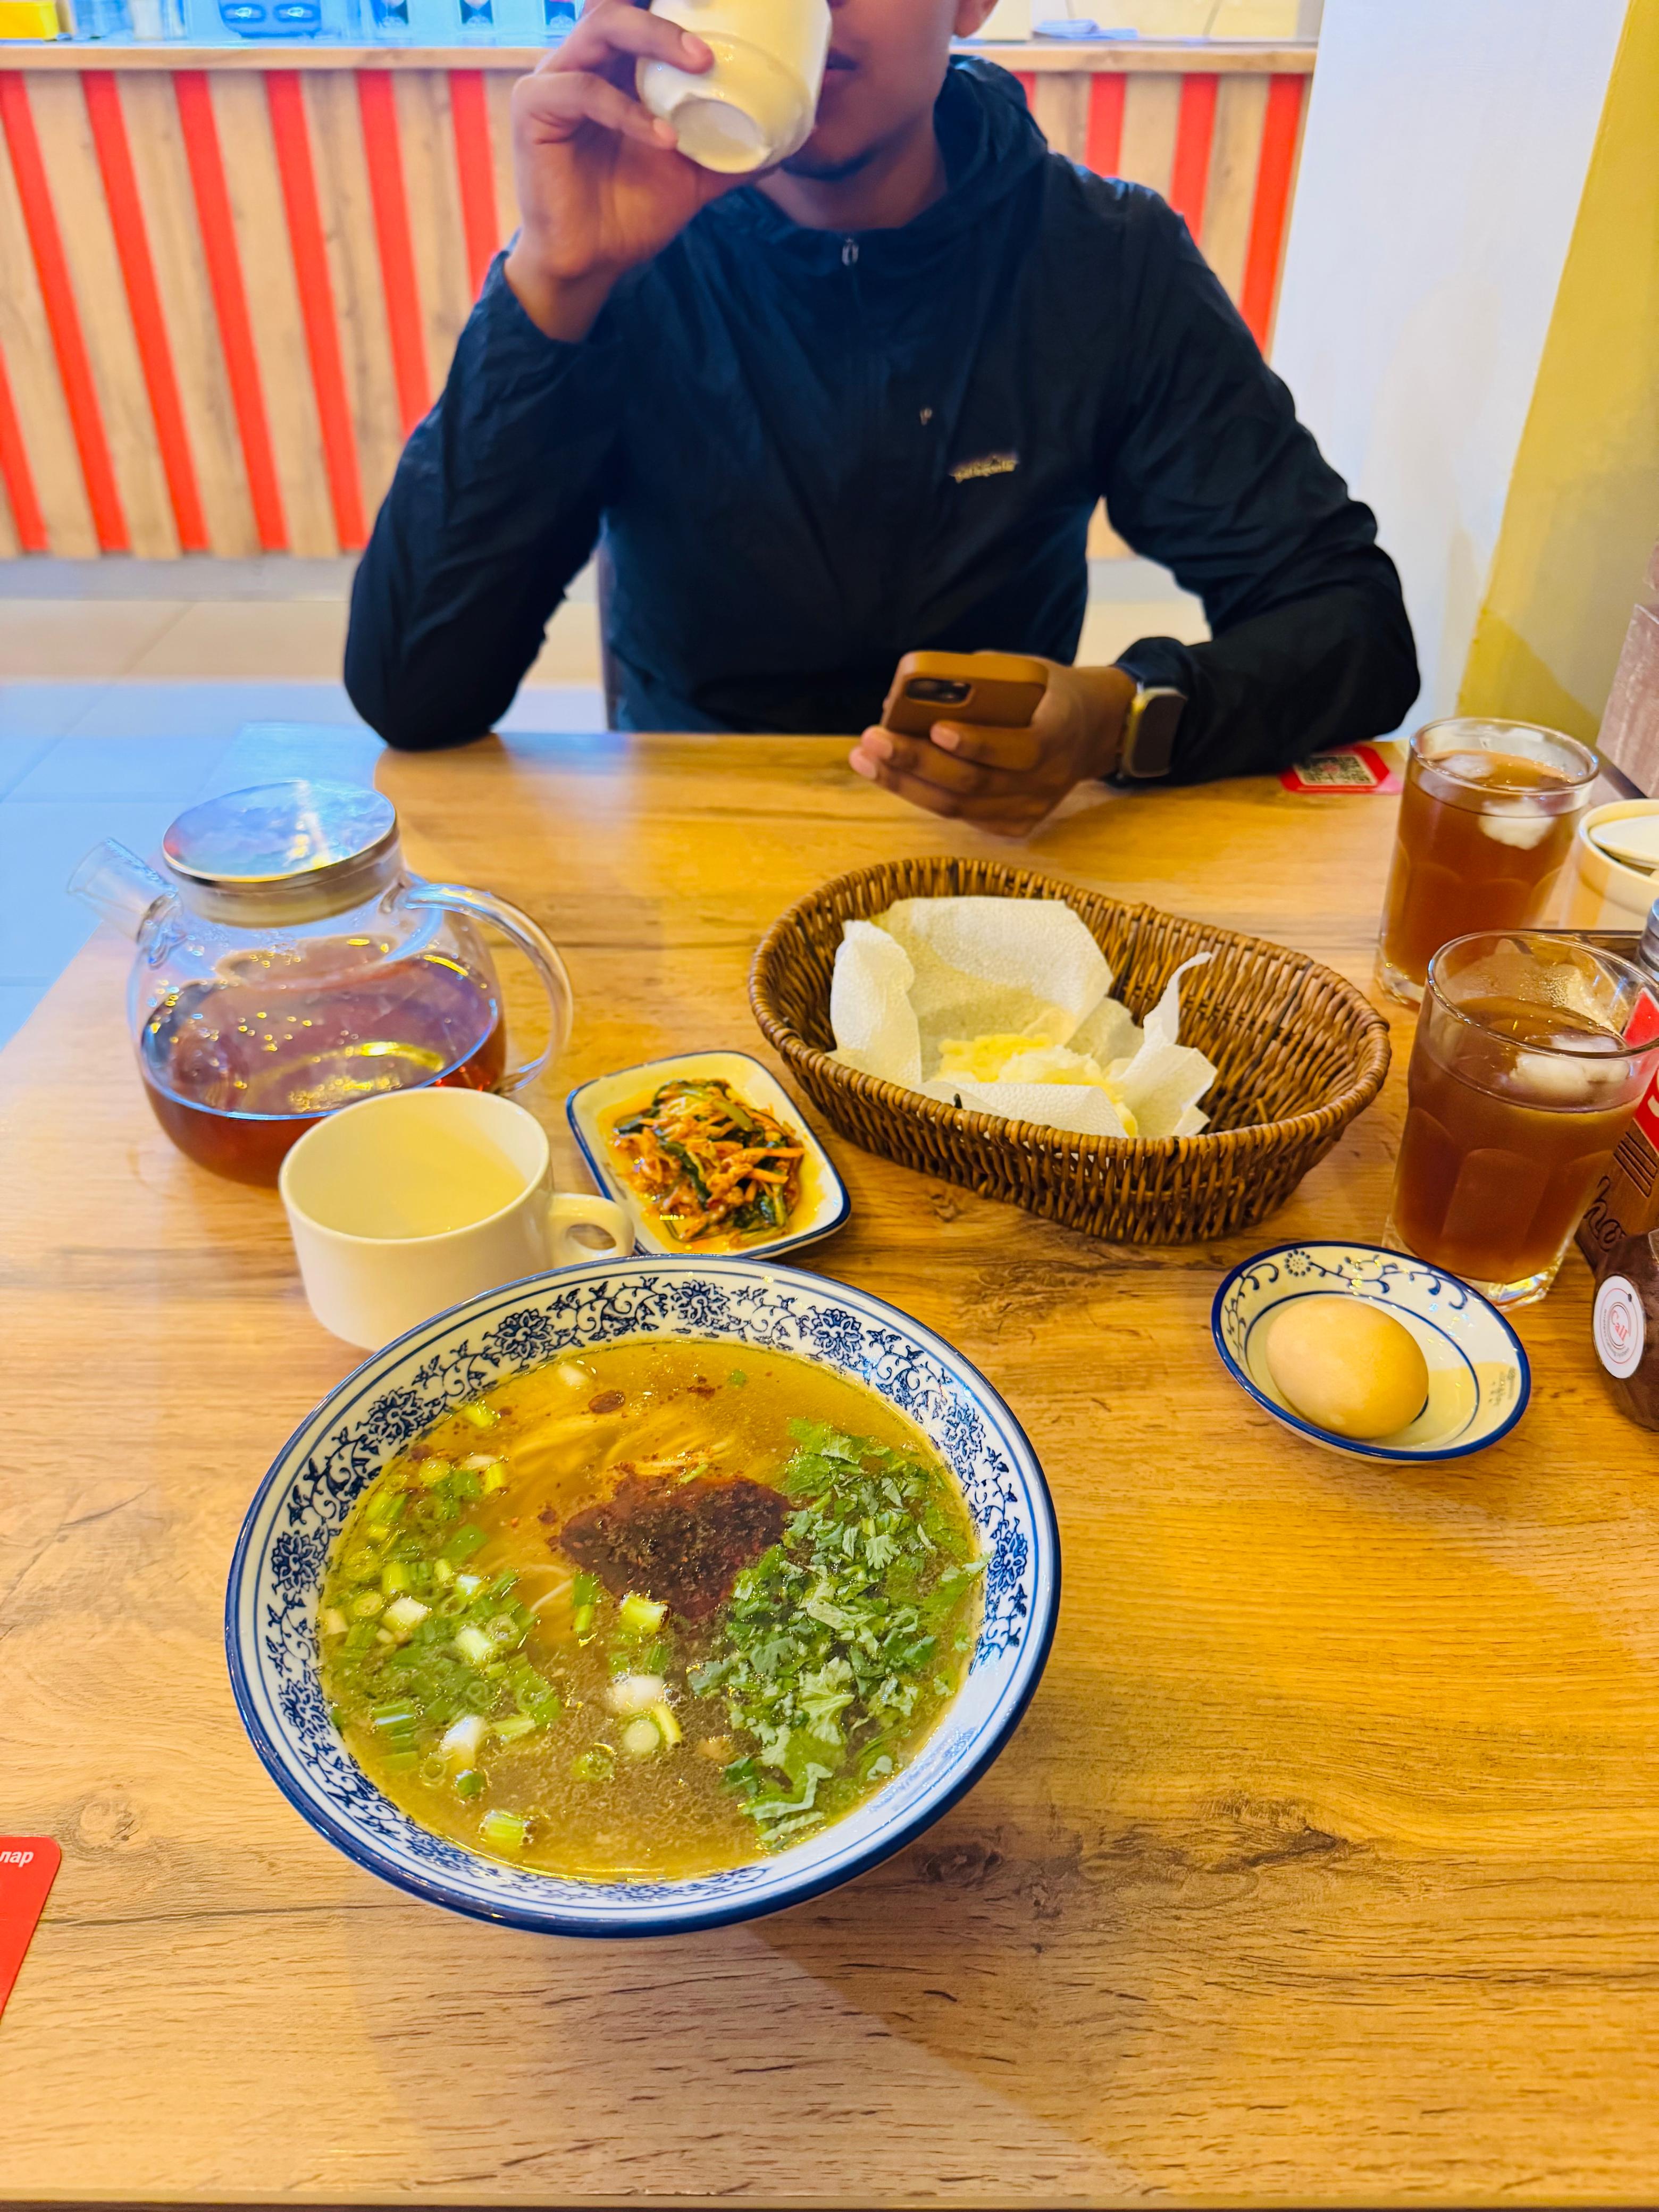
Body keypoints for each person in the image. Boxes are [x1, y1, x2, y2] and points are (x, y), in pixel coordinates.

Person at [345, 0, 1419, 836]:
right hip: (695, 841)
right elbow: (414, 697)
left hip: (997, 854)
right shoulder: (621, 262)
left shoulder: (1102, 261)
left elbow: (1353, 627)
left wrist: (1116, 716)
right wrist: (553, 279)